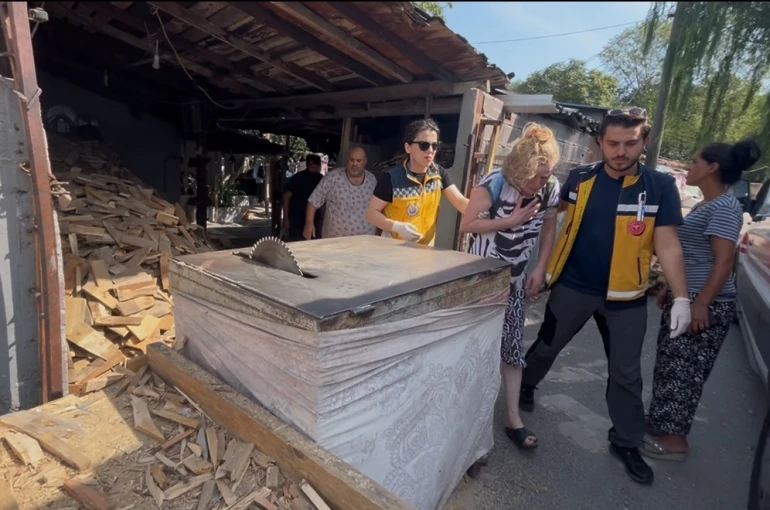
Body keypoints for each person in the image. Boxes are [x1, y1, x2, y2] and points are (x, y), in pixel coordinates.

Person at [519, 107, 692, 486]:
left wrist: (682, 297)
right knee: (546, 346)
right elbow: (547, 213)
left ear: (644, 142)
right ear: (600, 142)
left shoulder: (659, 187)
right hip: (573, 286)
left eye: (631, 143)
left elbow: (668, 244)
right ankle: (525, 385)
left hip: (626, 298)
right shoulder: (579, 179)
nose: (621, 151)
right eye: (612, 143)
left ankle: (625, 440)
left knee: (626, 374)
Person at [641, 139, 761, 462]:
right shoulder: (705, 205)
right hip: (688, 296)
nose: (690, 168)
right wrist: (674, 288)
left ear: (712, 168)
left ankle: (674, 441)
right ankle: (659, 425)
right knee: (670, 365)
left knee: (685, 372)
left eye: (695, 162)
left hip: (704, 303)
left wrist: (701, 303)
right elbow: (692, 255)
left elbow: (723, 261)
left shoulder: (723, 208)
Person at [459, 123, 561, 450]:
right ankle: (466, 422)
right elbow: (467, 224)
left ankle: (512, 417)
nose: (542, 182)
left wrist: (541, 267)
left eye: (547, 176)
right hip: (481, 283)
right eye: (538, 176)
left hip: (515, 283)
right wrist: (510, 221)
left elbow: (548, 228)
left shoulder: (550, 188)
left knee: (512, 347)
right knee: (475, 351)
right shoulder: (494, 184)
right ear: (521, 171)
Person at [365, 118, 469, 246]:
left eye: (435, 145)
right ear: (408, 147)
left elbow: (459, 201)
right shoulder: (391, 178)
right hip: (393, 246)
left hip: (425, 247)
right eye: (424, 145)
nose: (430, 150)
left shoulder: (439, 174)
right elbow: (371, 214)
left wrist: (481, 214)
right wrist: (397, 227)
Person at [304, 146, 377, 240]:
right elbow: (313, 201)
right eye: (352, 160)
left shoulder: (372, 180)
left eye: (359, 161)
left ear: (365, 161)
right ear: (347, 160)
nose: (355, 164)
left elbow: (377, 208)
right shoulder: (333, 177)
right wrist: (309, 223)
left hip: (364, 242)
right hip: (334, 241)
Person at [282, 154, 323, 242]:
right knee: (296, 245)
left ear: (319, 166)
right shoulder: (297, 178)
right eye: (311, 166)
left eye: (315, 167)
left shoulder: (321, 179)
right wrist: (286, 219)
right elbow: (286, 197)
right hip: (296, 219)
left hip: (315, 220)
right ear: (307, 164)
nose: (313, 169)